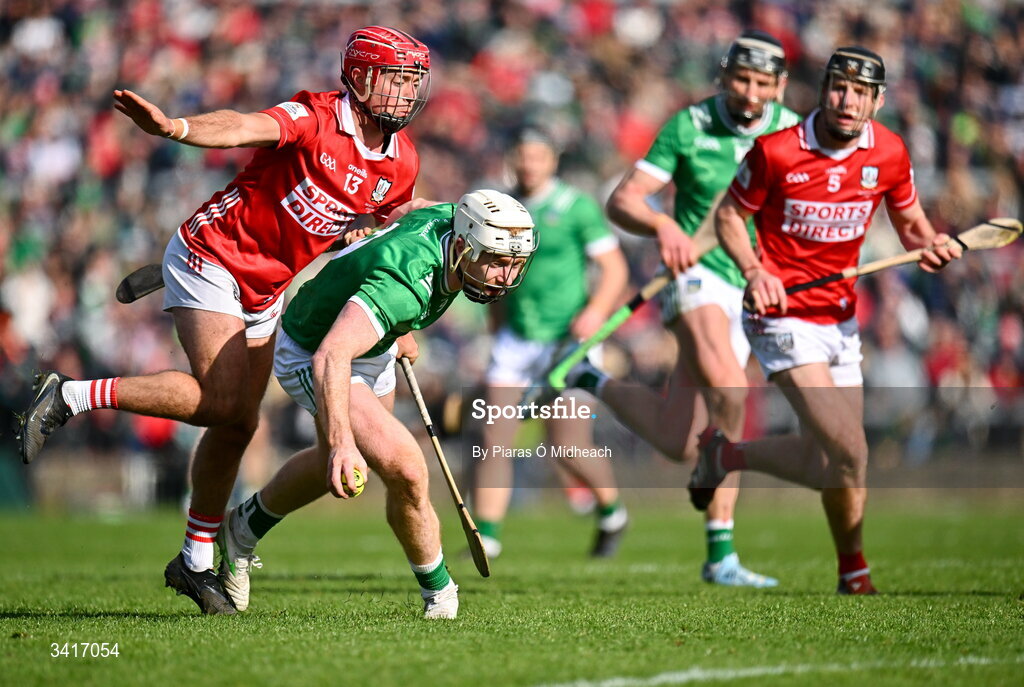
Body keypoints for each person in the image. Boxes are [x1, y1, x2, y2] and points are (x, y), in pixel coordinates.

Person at [16, 26, 432, 614]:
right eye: (397, 78)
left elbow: (378, 236)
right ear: (362, 78)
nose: (408, 91)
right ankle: (73, 395)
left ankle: (195, 560)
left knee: (239, 421)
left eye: (414, 79)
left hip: (268, 286)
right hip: (211, 255)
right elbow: (243, 123)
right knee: (217, 402)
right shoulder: (316, 117)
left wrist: (400, 320)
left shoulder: (403, 161)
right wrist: (176, 129)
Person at [695, 46, 961, 594]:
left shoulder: (888, 152)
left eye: (861, 92)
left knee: (829, 462)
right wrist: (753, 269)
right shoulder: (777, 152)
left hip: (840, 320)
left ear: (878, 101)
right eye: (839, 87)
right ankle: (859, 575)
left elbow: (909, 222)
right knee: (853, 449)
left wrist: (929, 244)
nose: (848, 100)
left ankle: (725, 454)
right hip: (781, 317)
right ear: (822, 89)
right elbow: (727, 216)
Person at [216, 190, 536, 619]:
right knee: (405, 466)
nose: (505, 276)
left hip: (370, 337)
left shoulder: (452, 218)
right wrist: (343, 439)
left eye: (514, 263)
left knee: (342, 463)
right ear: (462, 246)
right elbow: (330, 356)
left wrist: (395, 317)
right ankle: (441, 596)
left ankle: (241, 528)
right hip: (317, 349)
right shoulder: (405, 283)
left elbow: (417, 207)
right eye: (496, 261)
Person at [570, 31, 799, 586]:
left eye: (762, 84)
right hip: (692, 279)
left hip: (752, 281)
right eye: (741, 80)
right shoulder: (690, 126)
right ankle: (721, 554)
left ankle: (590, 378)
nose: (749, 93)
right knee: (731, 390)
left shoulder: (792, 130)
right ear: (724, 76)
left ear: (780, 86)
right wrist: (663, 223)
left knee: (676, 439)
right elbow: (623, 200)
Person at [470, 130, 630, 559]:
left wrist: (595, 311)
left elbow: (614, 269)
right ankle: (487, 536)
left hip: (568, 342)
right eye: (521, 155)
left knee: (568, 445)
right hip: (516, 340)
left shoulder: (576, 207)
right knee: (493, 438)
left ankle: (612, 511)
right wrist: (495, 322)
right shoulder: (500, 207)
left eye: (537, 156)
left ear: (552, 160)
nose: (528, 165)